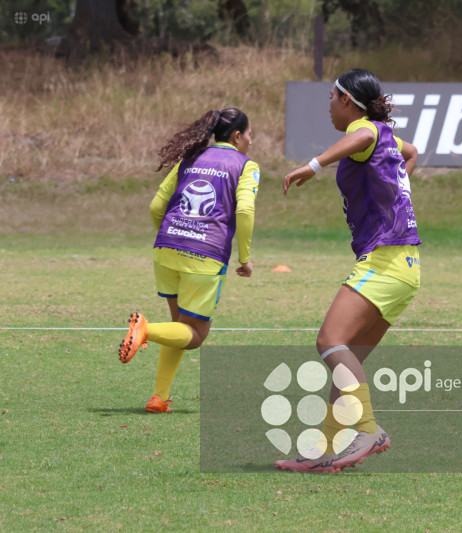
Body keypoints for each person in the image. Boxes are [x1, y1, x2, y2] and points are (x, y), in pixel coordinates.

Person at [275, 68, 421, 473]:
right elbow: (411, 153)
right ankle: (324, 450)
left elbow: (367, 135)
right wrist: (393, 192)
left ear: (346, 101)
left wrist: (314, 164)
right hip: (405, 265)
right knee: (347, 358)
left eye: (331, 96)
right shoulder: (385, 139)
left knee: (329, 341)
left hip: (386, 260)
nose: (328, 105)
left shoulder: (367, 131)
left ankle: (368, 429)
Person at [118, 107, 260, 413]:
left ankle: (159, 397)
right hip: (205, 256)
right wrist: (245, 258)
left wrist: (173, 236)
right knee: (194, 336)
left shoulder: (190, 158)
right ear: (237, 136)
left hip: (166, 246)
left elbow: (157, 206)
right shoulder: (246, 165)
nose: (251, 140)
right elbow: (245, 211)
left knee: (180, 327)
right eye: (249, 134)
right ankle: (145, 329)